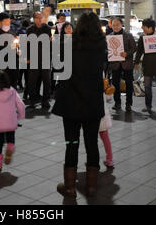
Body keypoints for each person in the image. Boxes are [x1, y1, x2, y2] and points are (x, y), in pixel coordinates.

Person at [52, 12, 107, 198]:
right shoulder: (101, 46)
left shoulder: (69, 44)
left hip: (71, 102)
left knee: (72, 143)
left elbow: (57, 68)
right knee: (92, 143)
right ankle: (91, 186)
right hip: (92, 102)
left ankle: (69, 187)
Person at [108, 18, 137, 112]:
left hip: (126, 63)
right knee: (115, 84)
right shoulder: (109, 37)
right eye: (113, 25)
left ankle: (129, 104)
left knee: (129, 84)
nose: (115, 27)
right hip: (115, 64)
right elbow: (107, 50)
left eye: (117, 25)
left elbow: (134, 48)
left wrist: (127, 53)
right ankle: (117, 103)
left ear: (121, 25)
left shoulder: (128, 35)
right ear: (111, 25)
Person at [26, 12, 52, 109]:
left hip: (45, 58)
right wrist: (27, 58)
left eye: (41, 17)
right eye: (37, 18)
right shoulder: (29, 30)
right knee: (32, 81)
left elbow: (50, 43)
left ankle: (45, 100)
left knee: (47, 81)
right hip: (33, 58)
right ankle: (32, 100)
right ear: (34, 19)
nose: (39, 19)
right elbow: (27, 45)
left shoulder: (47, 28)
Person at [0, 12, 18, 89]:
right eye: (5, 22)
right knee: (2, 87)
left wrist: (17, 48)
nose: (8, 24)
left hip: (12, 65)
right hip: (0, 66)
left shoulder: (11, 32)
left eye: (9, 22)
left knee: (12, 85)